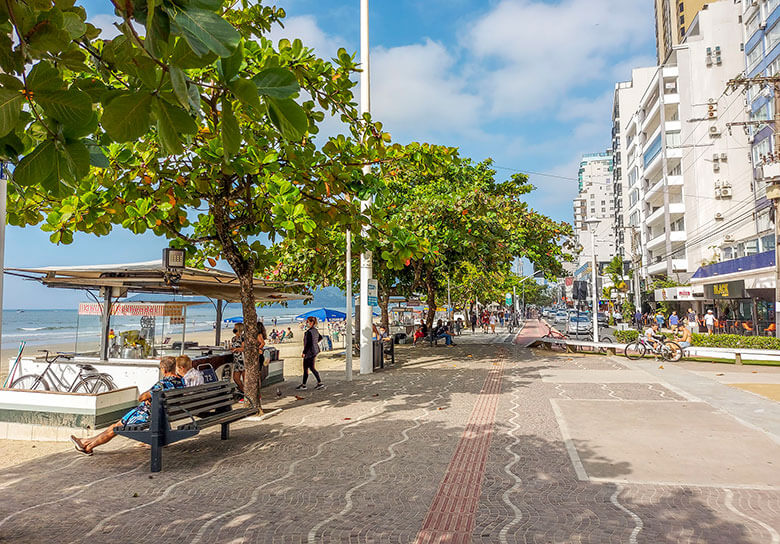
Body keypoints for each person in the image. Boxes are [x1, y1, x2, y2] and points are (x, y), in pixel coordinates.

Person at [70, 357, 184, 455]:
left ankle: (88, 446)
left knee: (115, 427)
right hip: (165, 412)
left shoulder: (163, 384)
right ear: (174, 368)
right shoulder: (181, 381)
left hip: (148, 414)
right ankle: (86, 442)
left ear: (163, 370)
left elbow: (142, 397)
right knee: (115, 426)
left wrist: (147, 398)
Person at [297, 316, 324, 390]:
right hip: (315, 351)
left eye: (308, 322)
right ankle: (319, 382)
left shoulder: (308, 332)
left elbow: (308, 344)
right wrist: (315, 342)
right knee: (312, 368)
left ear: (311, 322)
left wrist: (304, 352)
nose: (307, 323)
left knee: (306, 368)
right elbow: (320, 337)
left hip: (309, 352)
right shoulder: (315, 331)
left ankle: (304, 385)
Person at [230, 323, 245, 393]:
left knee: (245, 379)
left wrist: (236, 349)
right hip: (236, 360)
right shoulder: (233, 338)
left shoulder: (243, 337)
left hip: (242, 359)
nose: (234, 328)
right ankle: (244, 392)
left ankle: (247, 395)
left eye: (235, 327)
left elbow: (244, 348)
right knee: (236, 378)